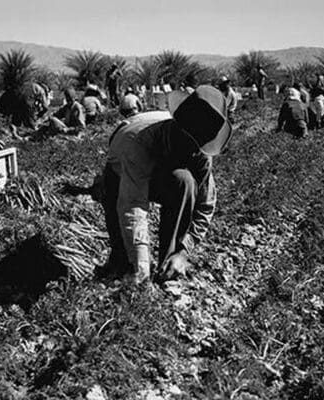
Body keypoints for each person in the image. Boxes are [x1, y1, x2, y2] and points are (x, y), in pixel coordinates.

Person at [97, 85, 232, 284]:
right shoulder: (138, 144)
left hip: (159, 169)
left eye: (195, 146)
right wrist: (141, 268)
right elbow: (133, 205)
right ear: (175, 126)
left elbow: (205, 205)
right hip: (120, 169)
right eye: (186, 142)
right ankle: (122, 263)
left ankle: (168, 264)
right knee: (125, 258)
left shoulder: (200, 152)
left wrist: (184, 251)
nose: (191, 150)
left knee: (184, 182)